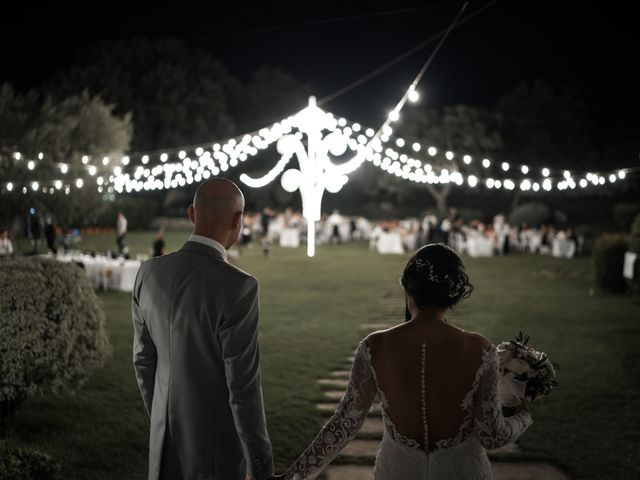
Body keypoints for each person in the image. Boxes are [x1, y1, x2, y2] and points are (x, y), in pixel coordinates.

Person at [277, 243, 532, 479]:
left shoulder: (375, 346)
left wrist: (292, 477)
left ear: (406, 286)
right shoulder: (479, 349)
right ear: (454, 294)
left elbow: (344, 424)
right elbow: (492, 435)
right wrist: (521, 415)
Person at [132, 178, 274, 480]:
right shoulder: (239, 287)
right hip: (215, 453)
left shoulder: (148, 272)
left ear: (191, 215)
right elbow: (243, 389)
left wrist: (161, 421)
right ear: (238, 221)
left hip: (162, 444)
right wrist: (261, 467)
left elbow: (143, 362)